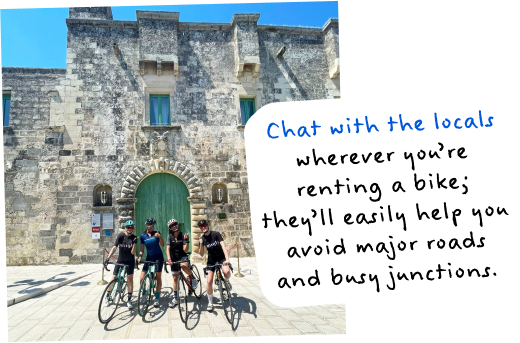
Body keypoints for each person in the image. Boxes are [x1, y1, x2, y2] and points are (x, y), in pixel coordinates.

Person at [197, 219, 231, 312]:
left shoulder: (216, 234)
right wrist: (200, 244)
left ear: (207, 226)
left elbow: (223, 246)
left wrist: (227, 259)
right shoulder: (203, 239)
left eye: (204, 225)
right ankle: (210, 303)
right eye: (201, 227)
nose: (203, 227)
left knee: (227, 272)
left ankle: (226, 281)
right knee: (208, 282)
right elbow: (201, 254)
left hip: (221, 257)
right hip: (211, 260)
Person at [104, 219, 138, 309]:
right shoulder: (120, 236)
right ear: (125, 228)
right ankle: (108, 297)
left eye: (131, 227)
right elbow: (114, 247)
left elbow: (133, 252)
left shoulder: (134, 238)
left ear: (133, 228)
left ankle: (129, 300)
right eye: (128, 227)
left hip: (130, 261)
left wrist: (134, 244)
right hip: (120, 260)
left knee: (130, 279)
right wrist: (107, 259)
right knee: (113, 278)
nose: (129, 229)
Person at [166, 218, 198, 308]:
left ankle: (192, 277)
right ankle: (175, 298)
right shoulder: (169, 237)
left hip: (182, 256)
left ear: (178, 225)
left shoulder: (183, 235)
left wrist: (187, 241)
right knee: (175, 278)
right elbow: (168, 248)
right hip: (174, 257)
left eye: (175, 224)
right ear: (170, 228)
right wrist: (169, 259)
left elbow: (185, 249)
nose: (174, 226)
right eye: (172, 226)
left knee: (184, 267)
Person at [137, 218, 165, 308]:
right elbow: (142, 249)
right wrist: (140, 257)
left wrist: (159, 237)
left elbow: (163, 244)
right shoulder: (143, 236)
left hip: (158, 257)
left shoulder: (157, 232)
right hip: (149, 257)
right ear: (146, 225)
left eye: (153, 225)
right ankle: (144, 294)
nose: (152, 227)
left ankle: (156, 298)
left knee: (158, 277)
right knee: (141, 278)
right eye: (150, 225)